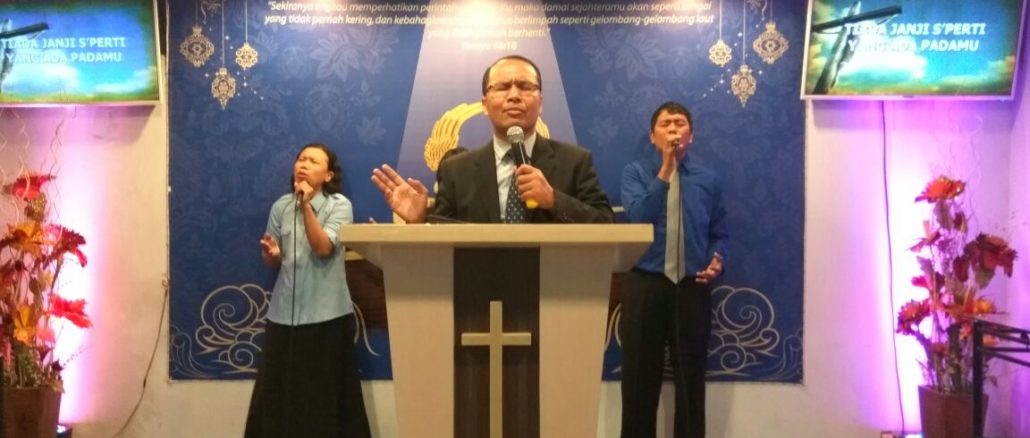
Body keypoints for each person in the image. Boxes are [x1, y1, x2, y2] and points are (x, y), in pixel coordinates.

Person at [371, 55, 613, 224]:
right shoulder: (456, 170)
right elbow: (444, 244)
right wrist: (419, 221)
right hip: (478, 281)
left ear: (540, 103)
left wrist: (554, 200)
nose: (514, 95)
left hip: (553, 280)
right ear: (485, 105)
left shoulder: (575, 161)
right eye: (503, 87)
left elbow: (605, 223)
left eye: (525, 86)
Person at [245, 143, 371, 438]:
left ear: (328, 175)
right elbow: (272, 259)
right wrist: (273, 254)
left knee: (323, 398)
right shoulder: (280, 207)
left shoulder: (339, 205)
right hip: (283, 317)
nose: (303, 164)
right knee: (277, 395)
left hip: (326, 317)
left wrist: (305, 206)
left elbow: (323, 247)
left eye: (313, 161)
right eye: (301, 159)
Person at [619, 101, 728, 438]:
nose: (673, 130)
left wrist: (718, 257)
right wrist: (665, 170)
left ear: (691, 136)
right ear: (652, 136)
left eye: (679, 123)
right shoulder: (635, 173)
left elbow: (719, 232)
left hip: (691, 287)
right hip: (645, 285)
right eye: (665, 124)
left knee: (691, 379)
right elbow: (639, 218)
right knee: (638, 381)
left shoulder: (708, 179)